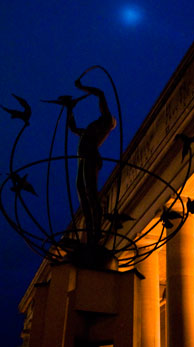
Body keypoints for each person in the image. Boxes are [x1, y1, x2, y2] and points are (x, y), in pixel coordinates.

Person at [65, 79, 116, 244]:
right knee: (82, 193)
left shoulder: (106, 121)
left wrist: (81, 87)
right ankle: (89, 229)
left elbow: (100, 94)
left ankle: (97, 229)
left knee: (91, 193)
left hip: (91, 158)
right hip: (83, 160)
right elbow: (72, 128)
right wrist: (69, 110)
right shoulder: (89, 129)